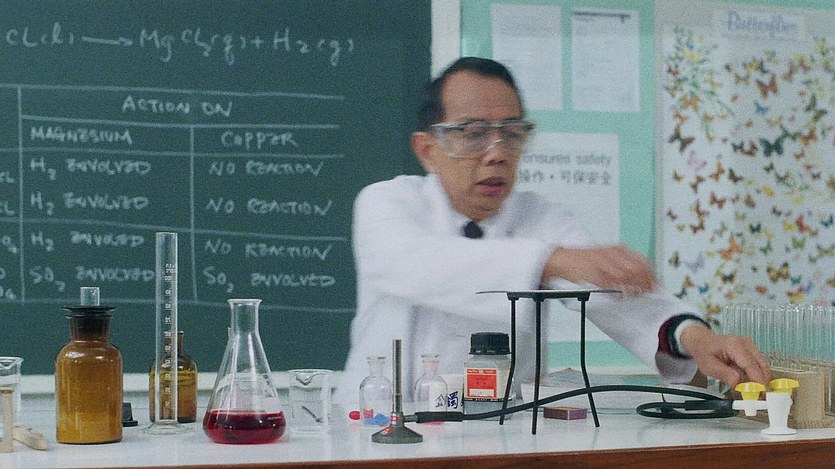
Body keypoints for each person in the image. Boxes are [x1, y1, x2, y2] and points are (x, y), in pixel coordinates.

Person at [333, 57, 769, 407]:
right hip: (377, 430)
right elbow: (416, 265)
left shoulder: (540, 218)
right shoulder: (387, 203)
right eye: (473, 134)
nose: (497, 153)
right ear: (427, 149)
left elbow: (614, 296)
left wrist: (697, 338)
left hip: (496, 436)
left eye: (512, 134)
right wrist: (551, 260)